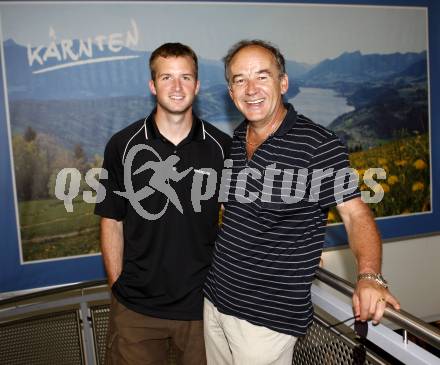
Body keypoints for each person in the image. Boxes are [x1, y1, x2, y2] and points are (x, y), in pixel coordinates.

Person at [203, 40, 400, 365]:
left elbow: (355, 215)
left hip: (265, 322)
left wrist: (369, 276)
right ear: (230, 90)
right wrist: (299, 249)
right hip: (215, 302)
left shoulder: (318, 145)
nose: (251, 88)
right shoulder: (237, 139)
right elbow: (235, 212)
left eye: (262, 76)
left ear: (283, 83)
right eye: (240, 79)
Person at [95, 42, 231, 365]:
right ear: (152, 85)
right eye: (167, 77)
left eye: (185, 77)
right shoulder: (121, 146)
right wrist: (118, 289)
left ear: (197, 86)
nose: (177, 87)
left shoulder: (222, 148)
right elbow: (111, 221)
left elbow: (240, 221)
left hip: (202, 308)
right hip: (136, 311)